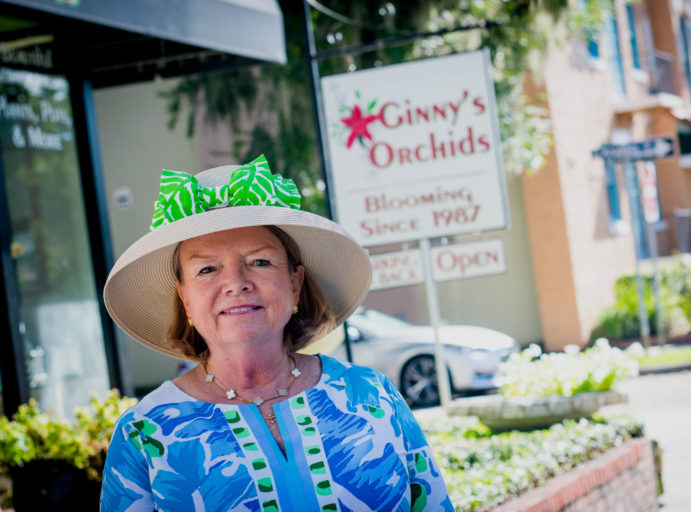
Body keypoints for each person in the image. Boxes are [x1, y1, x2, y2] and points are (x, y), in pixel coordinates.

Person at [100, 156, 454, 511]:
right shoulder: (143, 434)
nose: (235, 283)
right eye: (207, 269)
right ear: (185, 300)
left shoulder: (372, 394)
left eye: (260, 261)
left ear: (295, 284)